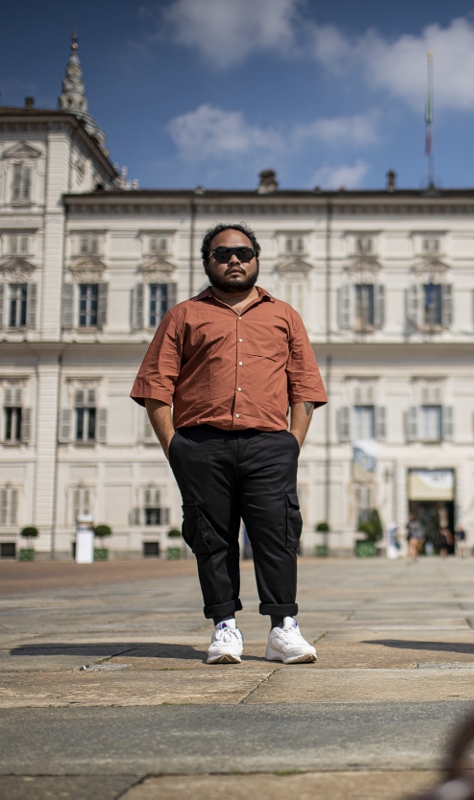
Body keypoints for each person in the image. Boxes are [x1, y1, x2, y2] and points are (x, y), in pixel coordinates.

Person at [132, 222, 327, 665]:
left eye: (243, 252)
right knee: (211, 538)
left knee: (277, 535)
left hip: (268, 445)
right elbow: (155, 386)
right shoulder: (183, 316)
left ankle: (283, 629)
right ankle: (225, 628)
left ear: (256, 259)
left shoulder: (284, 315)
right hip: (201, 444)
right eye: (222, 254)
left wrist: (290, 445)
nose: (234, 260)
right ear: (207, 263)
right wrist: (176, 447)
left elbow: (306, 387)